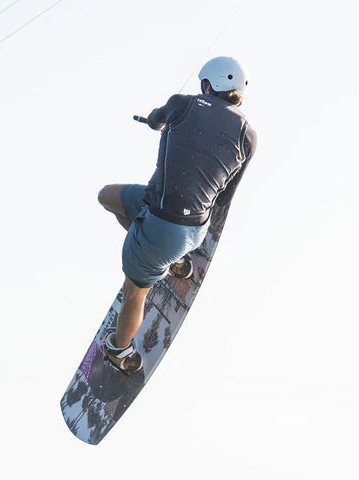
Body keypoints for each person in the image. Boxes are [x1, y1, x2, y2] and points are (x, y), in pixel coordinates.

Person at [97, 56, 257, 373]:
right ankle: (175, 260)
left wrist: (155, 122)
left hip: (163, 229)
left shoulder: (183, 105)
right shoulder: (248, 137)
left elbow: (158, 119)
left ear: (207, 85)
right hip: (189, 224)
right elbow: (224, 196)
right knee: (108, 196)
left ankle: (120, 350)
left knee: (134, 294)